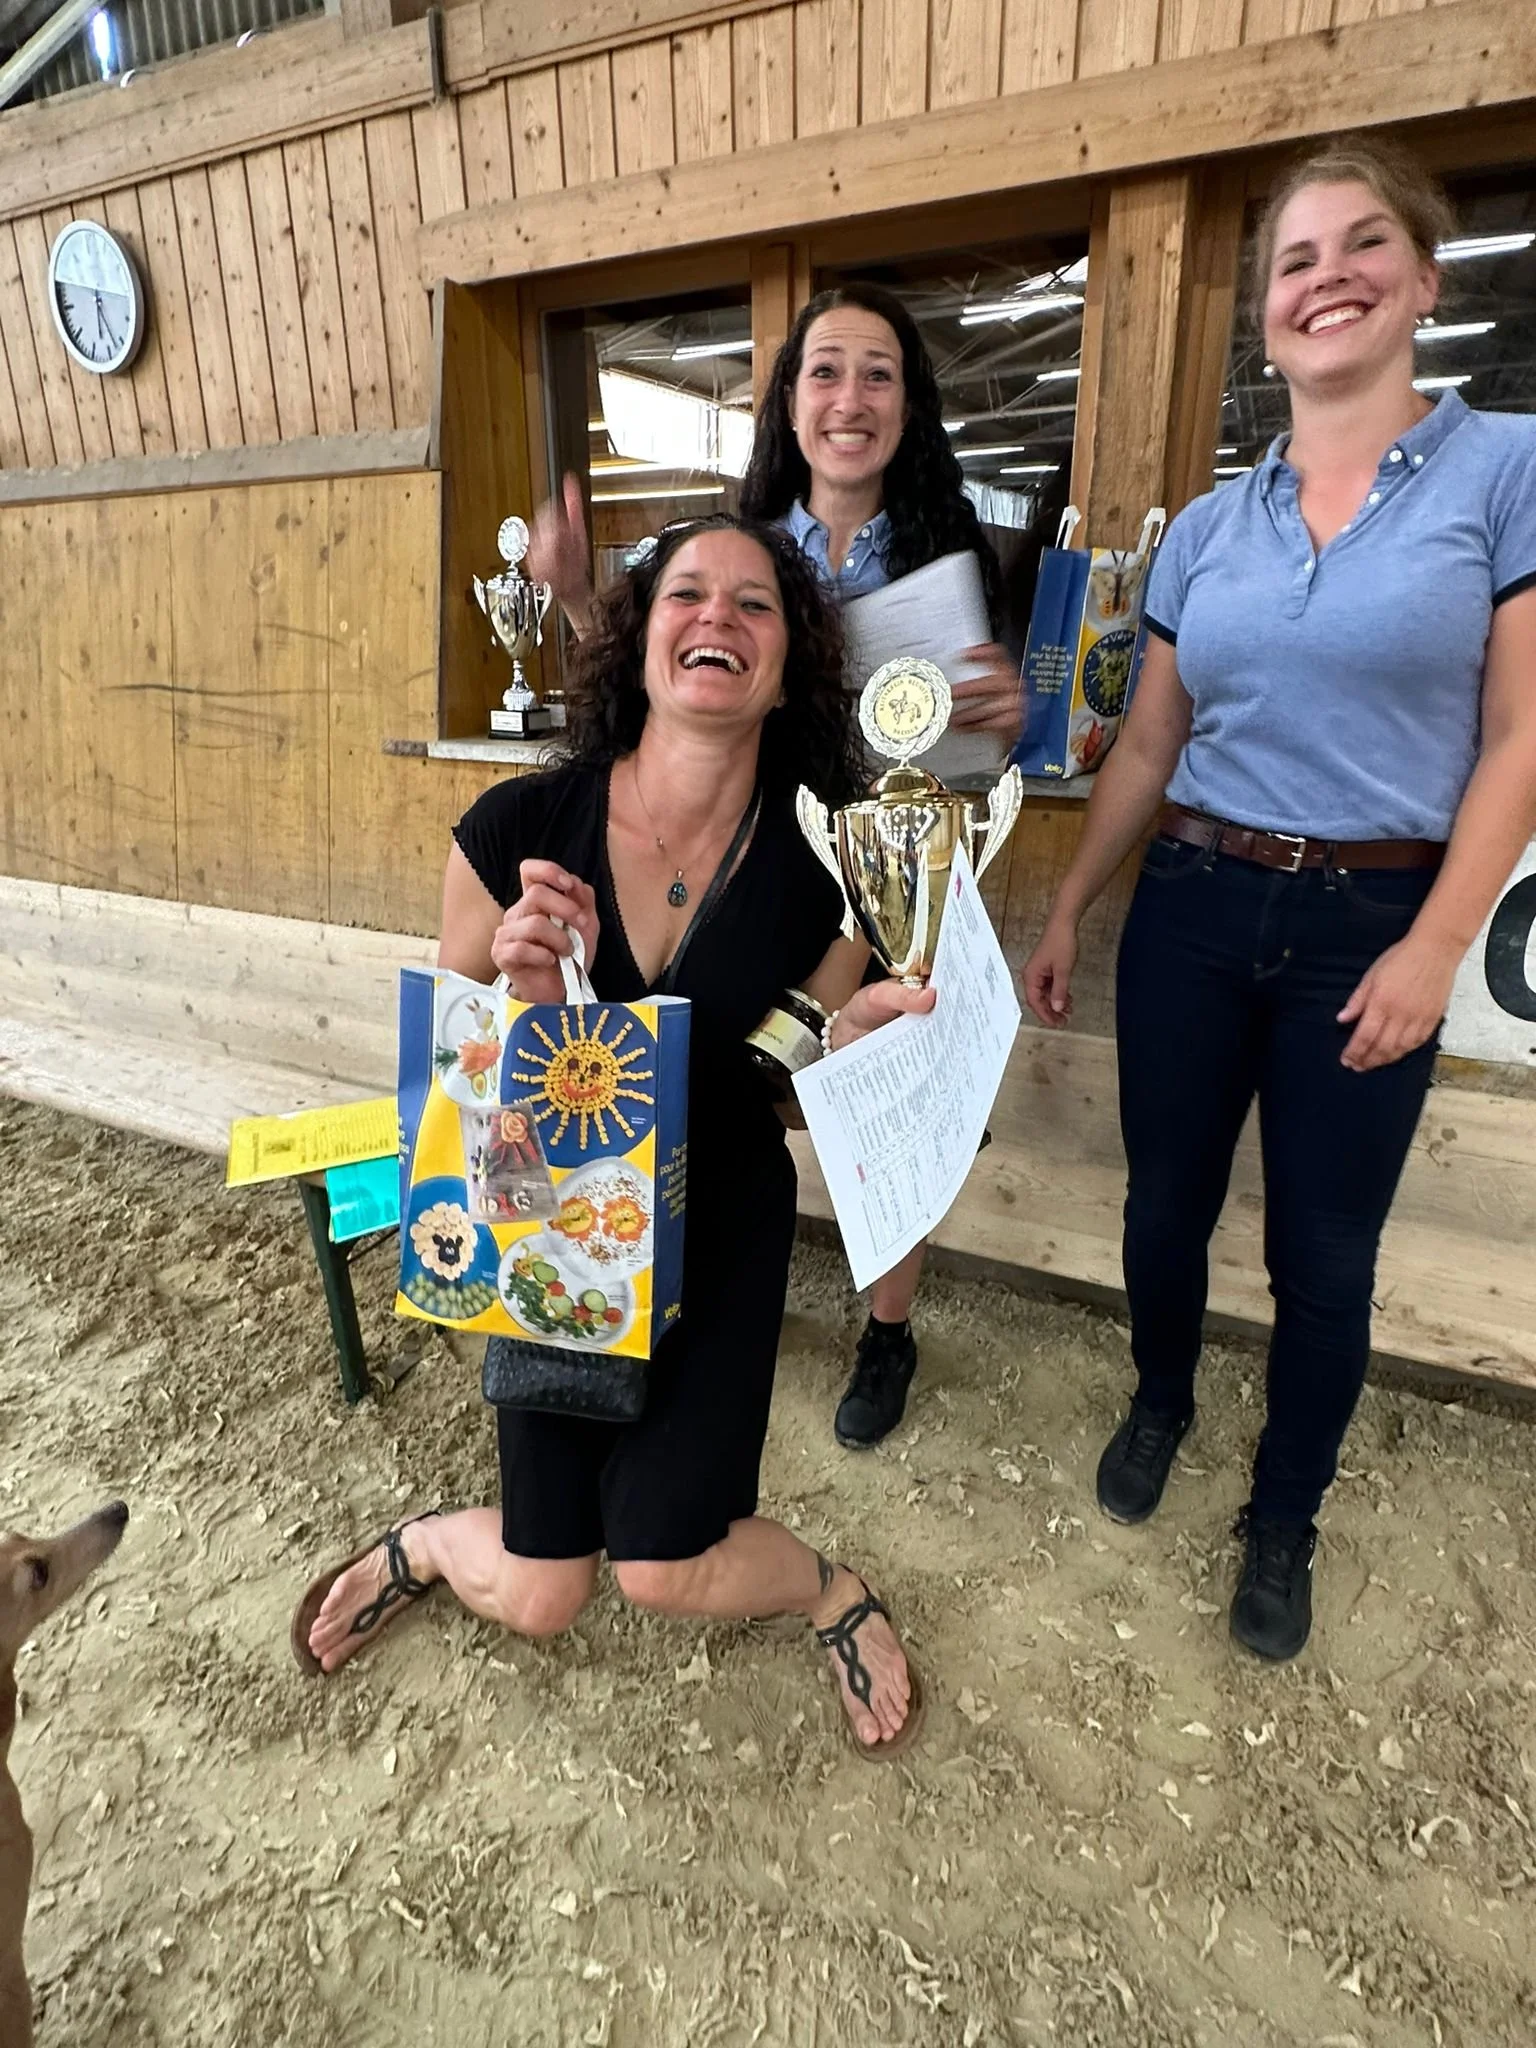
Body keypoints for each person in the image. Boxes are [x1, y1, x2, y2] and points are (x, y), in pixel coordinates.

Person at [293, 515, 929, 1757]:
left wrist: (847, 1050)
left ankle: (830, 1588)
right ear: (638, 643)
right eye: (687, 593)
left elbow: (778, 1084)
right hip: (549, 1225)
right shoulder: (513, 828)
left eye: (755, 603)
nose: (718, 616)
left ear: (787, 668)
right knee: (545, 1593)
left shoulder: (829, 870)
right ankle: (429, 1541)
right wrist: (524, 1005)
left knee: (660, 1565)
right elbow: (452, 1099)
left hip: (723, 1222)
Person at [1023, 136, 1536, 1662]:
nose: (1328, 279)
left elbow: (1521, 736)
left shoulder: (1509, 472)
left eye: (1362, 244)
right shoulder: (1206, 528)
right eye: (1295, 261)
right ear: (1264, 316)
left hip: (1369, 930)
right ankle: (1162, 1397)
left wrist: (1439, 946)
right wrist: (1073, 904)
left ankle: (1284, 1513)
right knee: (1163, 1203)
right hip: (1191, 903)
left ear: (1425, 279)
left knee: (1325, 1253)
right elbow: (1151, 743)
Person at [530, 283, 1024, 1450]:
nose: (850, 398)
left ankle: (888, 1328)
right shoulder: (738, 544)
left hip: (893, 885)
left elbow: (980, 749)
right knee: (743, 1085)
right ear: (789, 403)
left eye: (878, 374)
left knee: (893, 1095)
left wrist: (1003, 718)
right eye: (825, 371)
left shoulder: (958, 551)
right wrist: (572, 590)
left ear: (908, 405)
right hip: (762, 868)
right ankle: (678, 1270)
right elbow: (655, 668)